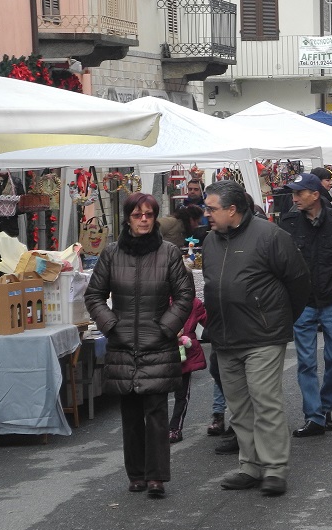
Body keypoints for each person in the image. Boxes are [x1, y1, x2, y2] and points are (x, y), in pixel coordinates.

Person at [201, 181, 311, 496]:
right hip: (225, 337)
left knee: (265, 402)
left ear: (232, 210)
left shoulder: (270, 236)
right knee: (238, 407)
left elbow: (299, 281)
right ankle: (250, 466)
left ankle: (274, 469)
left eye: (211, 208)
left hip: (263, 335)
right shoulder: (210, 241)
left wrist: (277, 319)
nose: (206, 214)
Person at [84, 192, 194, 499]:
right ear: (128, 219)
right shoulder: (111, 253)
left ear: (155, 218)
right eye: (137, 215)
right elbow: (94, 295)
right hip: (122, 344)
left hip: (157, 343)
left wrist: (166, 327)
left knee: (156, 412)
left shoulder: (169, 253)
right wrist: (110, 325)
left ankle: (156, 476)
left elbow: (185, 295)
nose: (144, 220)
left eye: (149, 214)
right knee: (130, 413)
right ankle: (136, 474)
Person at [279, 173, 332, 438]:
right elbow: (280, 261)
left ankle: (325, 407)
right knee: (305, 363)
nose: (294, 198)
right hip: (302, 303)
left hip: (331, 300)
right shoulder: (289, 222)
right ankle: (314, 416)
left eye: (299, 193)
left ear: (315, 195)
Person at [168, 297, 207, 443]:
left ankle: (174, 428)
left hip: (184, 351)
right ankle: (170, 429)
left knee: (181, 394)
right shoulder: (162, 299)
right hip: (167, 350)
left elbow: (208, 321)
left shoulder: (194, 303)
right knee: (173, 394)